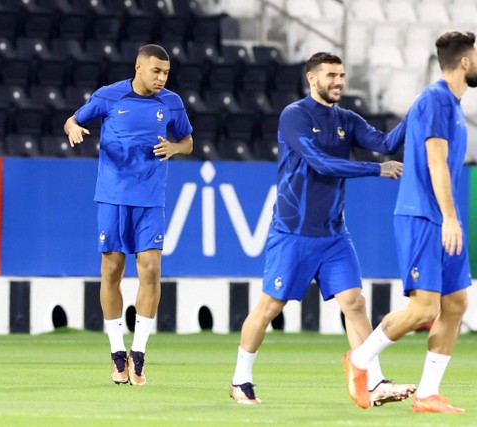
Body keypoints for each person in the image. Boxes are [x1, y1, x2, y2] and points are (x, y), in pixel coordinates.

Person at [229, 52, 415, 406]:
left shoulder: (347, 118)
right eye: (331, 75)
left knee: (354, 302)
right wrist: (376, 170)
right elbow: (321, 163)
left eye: (342, 75)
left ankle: (373, 382)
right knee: (270, 306)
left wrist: (416, 113)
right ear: (311, 78)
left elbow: (386, 143)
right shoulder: (294, 116)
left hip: (333, 235)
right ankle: (240, 379)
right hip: (293, 233)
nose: (338, 82)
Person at [344, 31, 475, 414]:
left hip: (444, 219)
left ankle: (427, 394)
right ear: (464, 62)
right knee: (423, 310)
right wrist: (450, 216)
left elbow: (391, 141)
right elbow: (436, 163)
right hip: (423, 216)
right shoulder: (435, 100)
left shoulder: (447, 104)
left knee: (455, 304)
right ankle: (360, 360)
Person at [64, 44, 193, 386]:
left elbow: (188, 141)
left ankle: (138, 354)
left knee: (150, 270)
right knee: (112, 271)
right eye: (156, 72)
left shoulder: (172, 103)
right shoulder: (109, 97)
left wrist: (175, 147)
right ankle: (116, 352)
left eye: (166, 73)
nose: (162, 78)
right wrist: (74, 129)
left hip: (150, 199)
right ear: (138, 68)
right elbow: (72, 120)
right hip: (112, 197)